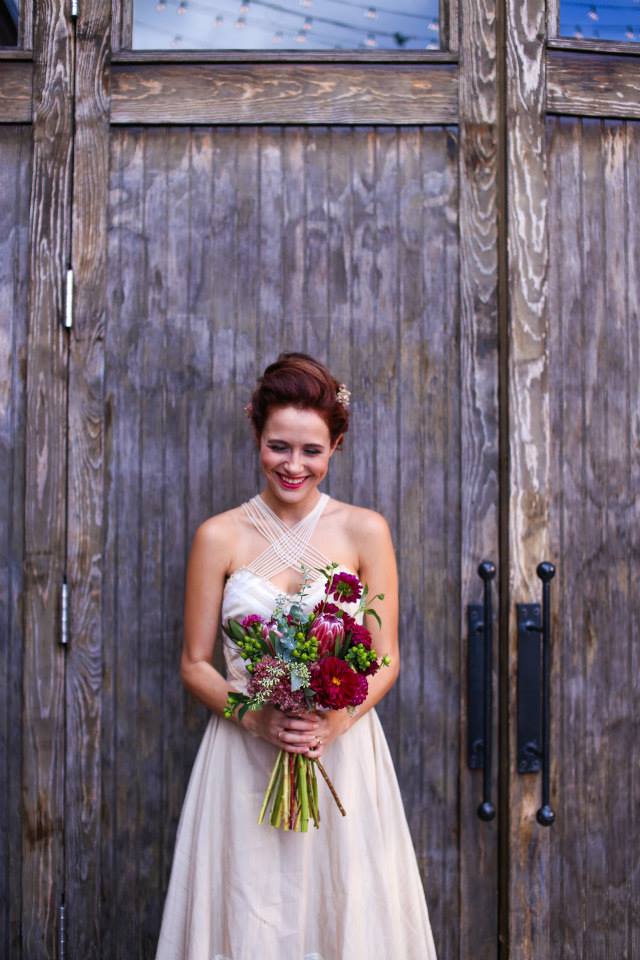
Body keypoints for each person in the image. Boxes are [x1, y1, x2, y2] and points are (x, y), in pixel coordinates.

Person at [154, 352, 438, 960]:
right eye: (278, 446)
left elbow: (385, 659)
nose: (293, 465)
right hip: (241, 758)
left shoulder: (365, 531)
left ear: (334, 446)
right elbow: (195, 663)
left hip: (341, 753)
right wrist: (259, 719)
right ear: (255, 434)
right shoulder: (219, 535)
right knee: (248, 910)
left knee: (343, 912)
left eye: (311, 451)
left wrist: (331, 724)